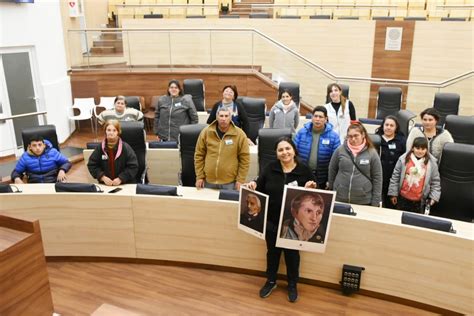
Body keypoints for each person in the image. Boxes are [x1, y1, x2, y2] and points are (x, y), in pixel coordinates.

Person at [246, 137, 316, 303]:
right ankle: (271, 281)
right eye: (280, 150)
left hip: (294, 224)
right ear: (277, 154)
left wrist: (312, 187)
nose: (284, 152)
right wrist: (253, 186)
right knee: (273, 253)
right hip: (272, 222)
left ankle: (292, 284)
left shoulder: (304, 170)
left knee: (292, 256)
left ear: (294, 151)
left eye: (287, 149)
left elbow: (314, 194)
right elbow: (260, 188)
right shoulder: (270, 168)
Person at [195, 107, 250, 190]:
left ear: (230, 117)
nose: (223, 119)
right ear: (217, 117)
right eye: (221, 116)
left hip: (229, 183)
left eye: (226, 116)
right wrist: (200, 176)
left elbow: (245, 159)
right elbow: (199, 155)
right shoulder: (206, 132)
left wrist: (240, 179)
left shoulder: (239, 134)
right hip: (208, 181)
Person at [328, 122, 382, 206]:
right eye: (350, 136)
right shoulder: (340, 150)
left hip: (363, 200)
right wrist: (332, 189)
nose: (353, 139)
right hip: (340, 197)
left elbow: (377, 178)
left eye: (356, 135)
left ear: (363, 134)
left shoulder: (372, 153)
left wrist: (375, 201)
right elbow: (332, 170)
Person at [388, 137, 441, 213]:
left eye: (423, 149)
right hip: (403, 197)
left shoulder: (432, 163)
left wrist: (433, 197)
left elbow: (435, 182)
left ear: (427, 150)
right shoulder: (403, 159)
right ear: (412, 148)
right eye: (417, 148)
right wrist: (393, 193)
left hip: (419, 201)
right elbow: (395, 177)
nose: (420, 151)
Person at [294, 106, 341, 189]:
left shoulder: (334, 137)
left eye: (320, 117)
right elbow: (293, 153)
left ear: (326, 119)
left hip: (323, 178)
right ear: (312, 118)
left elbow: (336, 161)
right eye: (315, 116)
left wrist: (330, 180)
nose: (317, 119)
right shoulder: (301, 133)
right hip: (302, 175)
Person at [88, 120, 139, 186]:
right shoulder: (100, 148)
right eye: (108, 130)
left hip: (125, 183)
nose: (111, 133)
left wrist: (121, 178)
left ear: (118, 132)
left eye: (114, 130)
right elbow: (92, 165)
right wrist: (102, 177)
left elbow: (133, 166)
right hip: (106, 185)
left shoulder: (126, 147)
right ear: (105, 131)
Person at [375, 115, 406, 208]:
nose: (388, 127)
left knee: (390, 206)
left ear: (396, 128)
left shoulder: (401, 141)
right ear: (382, 126)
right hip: (378, 177)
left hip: (393, 180)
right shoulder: (376, 139)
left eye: (392, 125)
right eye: (386, 125)